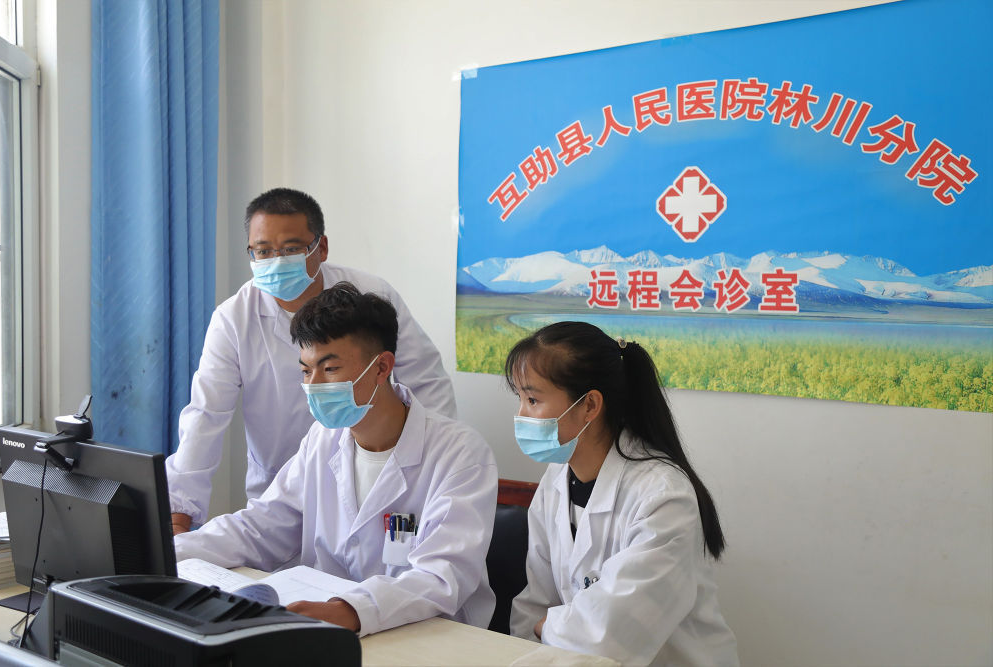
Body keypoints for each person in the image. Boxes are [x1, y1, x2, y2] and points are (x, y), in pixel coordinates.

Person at [176, 283, 497, 634]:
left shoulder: (460, 454)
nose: (313, 385)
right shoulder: (322, 440)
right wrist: (170, 551)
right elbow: (261, 527)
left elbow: (441, 576)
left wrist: (350, 610)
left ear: (382, 367)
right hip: (328, 630)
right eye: (305, 371)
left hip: (427, 637)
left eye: (329, 369)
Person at [166, 188, 457, 534]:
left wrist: (436, 471)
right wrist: (179, 514)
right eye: (263, 251)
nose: (276, 261)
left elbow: (426, 383)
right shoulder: (233, 319)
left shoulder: (370, 298)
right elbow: (205, 415)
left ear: (321, 248)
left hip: (373, 482)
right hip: (278, 495)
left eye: (291, 249)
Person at [506, 322, 738, 666]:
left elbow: (608, 634)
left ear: (589, 405)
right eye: (520, 399)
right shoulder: (556, 478)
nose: (521, 415)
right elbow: (535, 602)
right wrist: (535, 636)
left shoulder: (664, 497)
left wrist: (547, 628)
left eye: (533, 399)